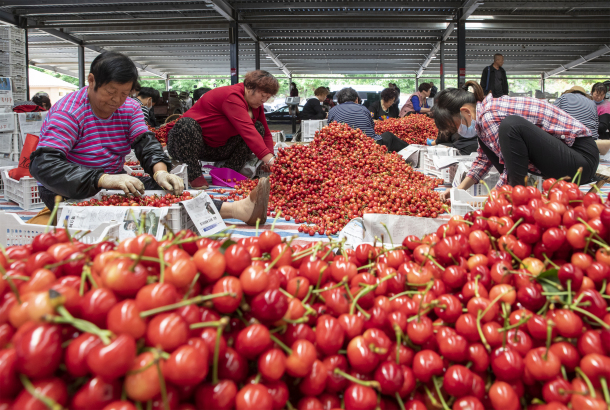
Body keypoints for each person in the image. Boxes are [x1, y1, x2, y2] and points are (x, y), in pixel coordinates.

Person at [30, 51, 184, 212]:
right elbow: (44, 164)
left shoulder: (131, 108)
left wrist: (160, 173)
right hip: (67, 186)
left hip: (113, 181)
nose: (117, 100)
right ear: (91, 81)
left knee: (171, 191)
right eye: (110, 92)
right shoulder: (69, 112)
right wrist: (102, 179)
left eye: (124, 94)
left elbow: (146, 143)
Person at [433, 81, 597, 200]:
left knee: (511, 125)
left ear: (465, 111)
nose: (458, 132)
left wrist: (494, 199)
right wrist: (457, 190)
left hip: (581, 160)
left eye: (455, 126)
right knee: (490, 141)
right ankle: (516, 192)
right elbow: (482, 161)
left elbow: (510, 169)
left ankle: (515, 193)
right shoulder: (483, 121)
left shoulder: (490, 115)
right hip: (565, 161)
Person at [328, 87, 408, 153]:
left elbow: (330, 130)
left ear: (339, 101)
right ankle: (410, 149)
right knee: (388, 135)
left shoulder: (332, 110)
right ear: (357, 99)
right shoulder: (363, 109)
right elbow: (371, 127)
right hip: (368, 146)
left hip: (340, 146)